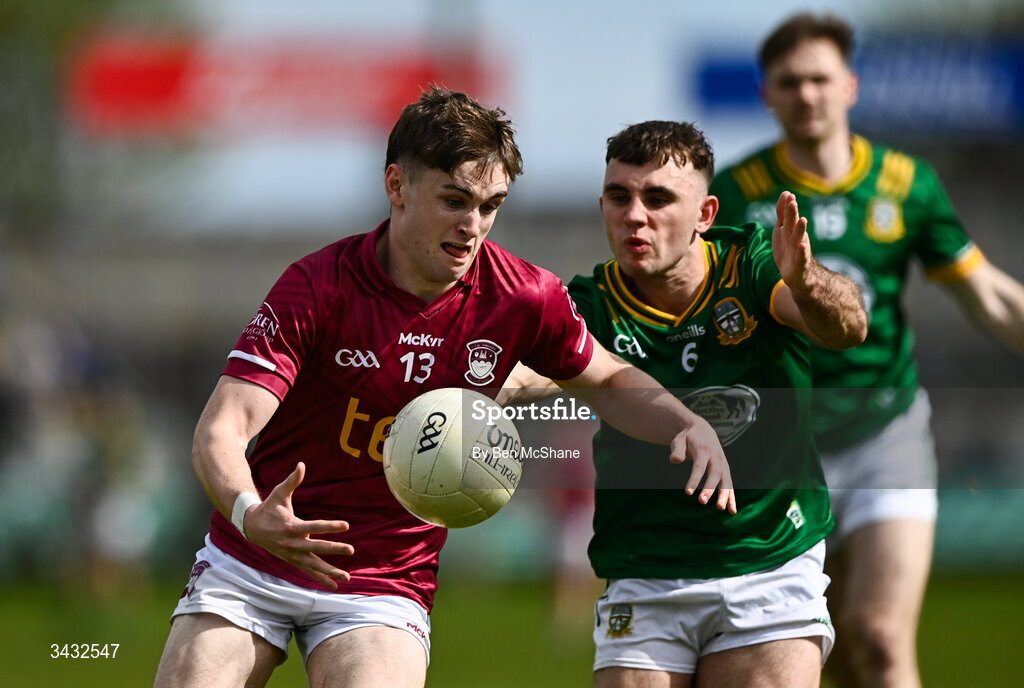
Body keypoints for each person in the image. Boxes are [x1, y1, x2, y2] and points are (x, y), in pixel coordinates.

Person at [151, 87, 737, 688]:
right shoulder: (317, 287)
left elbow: (607, 379)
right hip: (254, 560)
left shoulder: (523, 298)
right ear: (397, 186)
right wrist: (252, 515)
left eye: (491, 206)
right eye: (455, 200)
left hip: (382, 580)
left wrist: (684, 423)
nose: (473, 226)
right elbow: (222, 429)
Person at [708, 14, 1024, 688]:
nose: (807, 95)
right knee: (832, 649)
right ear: (768, 94)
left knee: (878, 638)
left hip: (886, 433)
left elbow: (990, 296)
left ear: (850, 86)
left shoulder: (907, 185)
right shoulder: (736, 193)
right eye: (790, 82)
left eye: (820, 79)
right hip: (786, 450)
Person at [505, 120, 867, 687]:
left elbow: (848, 328)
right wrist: (462, 392)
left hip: (769, 557)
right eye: (619, 197)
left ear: (704, 213)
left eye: (658, 198)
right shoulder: (588, 304)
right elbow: (528, 372)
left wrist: (809, 282)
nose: (635, 215)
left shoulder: (750, 266)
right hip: (646, 570)